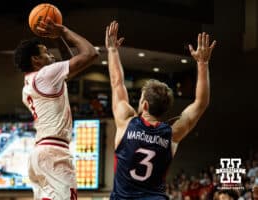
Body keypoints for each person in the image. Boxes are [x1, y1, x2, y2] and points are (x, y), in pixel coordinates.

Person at [105, 21, 216, 200]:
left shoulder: (126, 122)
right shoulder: (171, 134)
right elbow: (201, 103)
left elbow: (116, 82)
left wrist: (112, 50)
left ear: (145, 105)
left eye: (141, 98)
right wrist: (202, 63)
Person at [14, 18, 98, 200]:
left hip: (40, 154)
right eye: (46, 53)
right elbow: (90, 54)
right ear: (36, 60)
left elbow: (71, 63)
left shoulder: (30, 83)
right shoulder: (46, 75)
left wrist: (57, 39)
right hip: (54, 153)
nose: (52, 56)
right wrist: (64, 31)